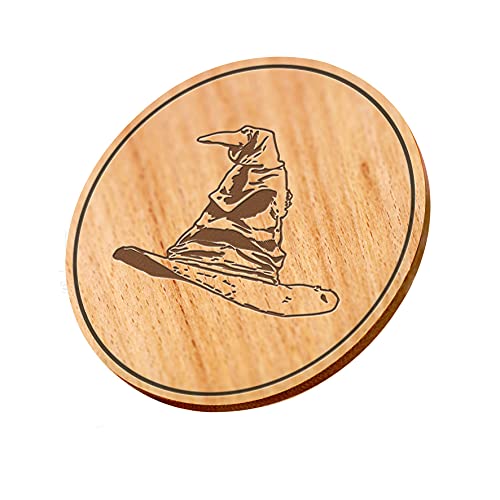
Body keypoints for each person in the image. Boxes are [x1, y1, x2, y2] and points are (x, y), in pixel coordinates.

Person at [167, 126, 293, 284]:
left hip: (248, 225)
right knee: (217, 226)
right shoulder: (260, 170)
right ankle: (207, 254)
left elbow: (227, 201)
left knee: (231, 230)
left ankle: (237, 262)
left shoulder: (261, 172)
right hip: (245, 220)